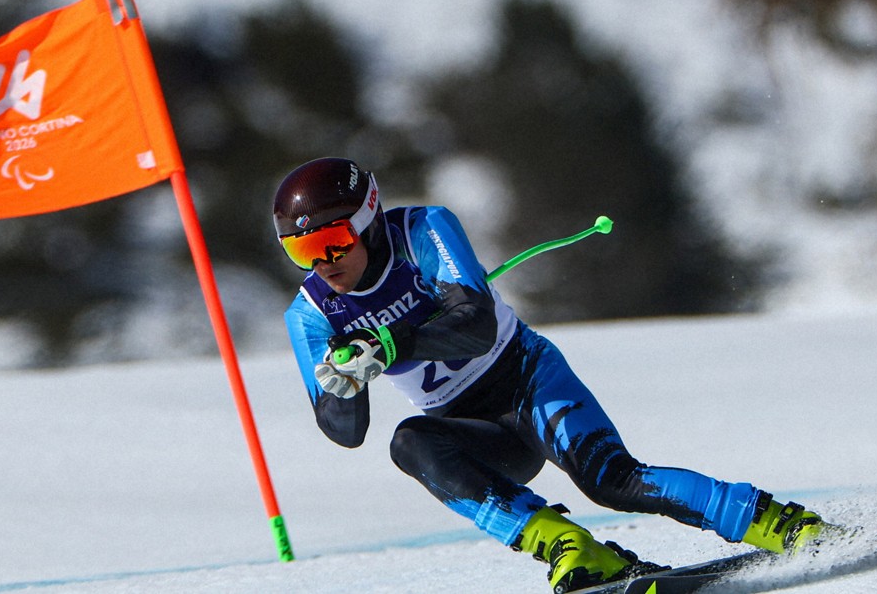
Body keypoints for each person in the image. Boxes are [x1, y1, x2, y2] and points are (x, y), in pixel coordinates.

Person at [275, 157, 830, 593]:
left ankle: (781, 523)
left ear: (369, 219)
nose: (324, 262)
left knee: (613, 480)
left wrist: (392, 341)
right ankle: (573, 549)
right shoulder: (311, 315)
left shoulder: (422, 230)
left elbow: (476, 325)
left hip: (526, 379)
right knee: (409, 443)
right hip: (474, 430)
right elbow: (344, 432)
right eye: (303, 249)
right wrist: (346, 383)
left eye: (332, 240)